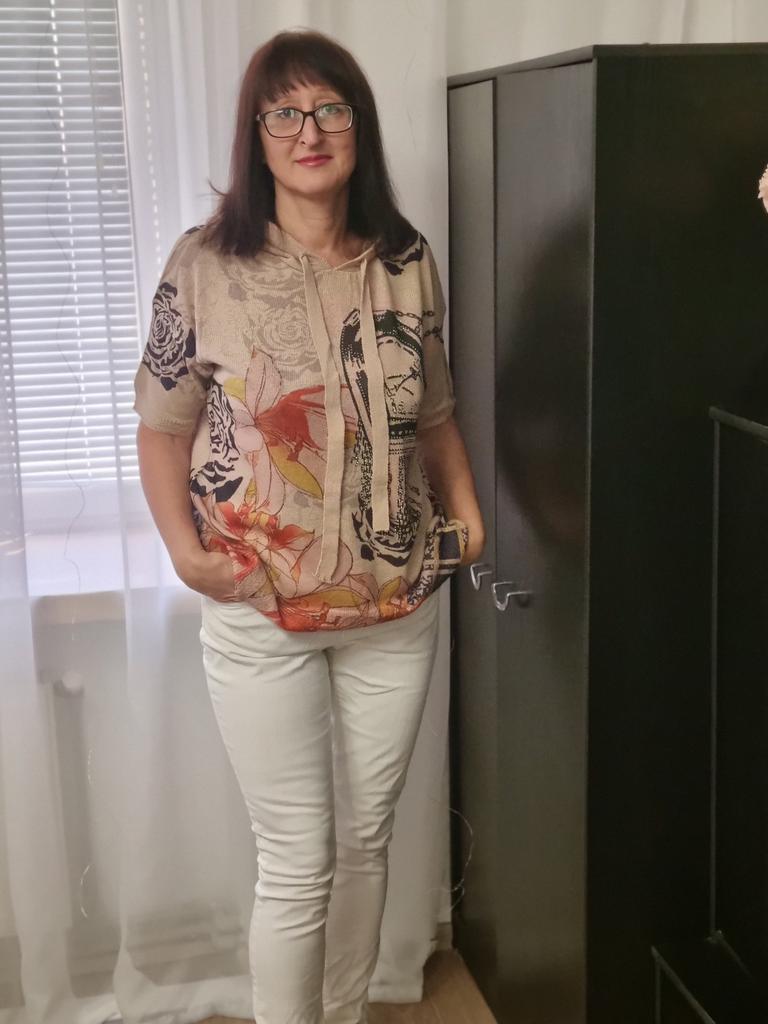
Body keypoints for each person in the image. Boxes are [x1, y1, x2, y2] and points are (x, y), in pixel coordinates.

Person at [133, 27, 484, 1024]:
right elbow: (162, 427)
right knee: (297, 861)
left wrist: (466, 517)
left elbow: (435, 411)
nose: (310, 131)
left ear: (358, 127)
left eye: (331, 108)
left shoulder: (406, 259)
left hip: (395, 605)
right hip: (260, 605)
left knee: (367, 840)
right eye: (284, 113)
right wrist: (186, 554)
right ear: (257, 134)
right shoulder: (204, 264)